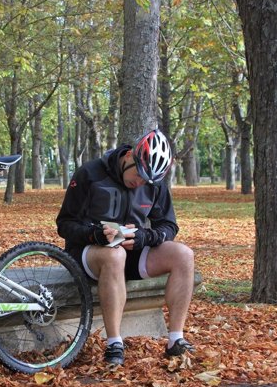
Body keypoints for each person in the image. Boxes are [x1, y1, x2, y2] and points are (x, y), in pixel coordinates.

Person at [56, 130, 195, 365]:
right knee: (114, 254)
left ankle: (175, 340)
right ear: (130, 155)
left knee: (184, 255)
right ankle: (114, 344)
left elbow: (169, 226)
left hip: (132, 252)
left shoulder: (155, 183)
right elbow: (65, 224)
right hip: (89, 253)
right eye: (139, 174)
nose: (140, 182)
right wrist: (95, 234)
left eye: (147, 180)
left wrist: (146, 237)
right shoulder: (90, 173)